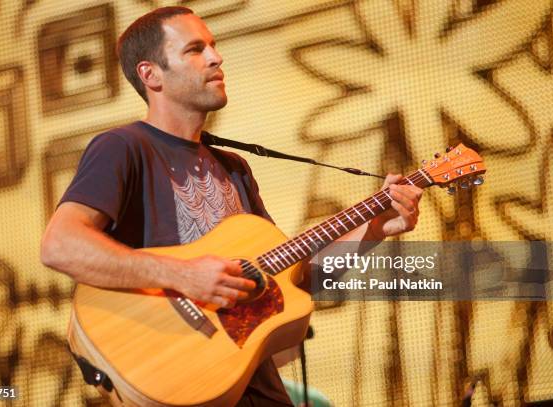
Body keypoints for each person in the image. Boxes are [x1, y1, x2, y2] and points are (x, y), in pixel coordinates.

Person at [40, 6, 423, 406]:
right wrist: (184, 275)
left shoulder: (234, 167)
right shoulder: (122, 148)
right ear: (150, 74)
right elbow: (60, 245)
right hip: (177, 376)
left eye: (213, 46)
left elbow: (296, 277)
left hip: (251, 384)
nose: (215, 57)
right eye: (194, 49)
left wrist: (375, 229)